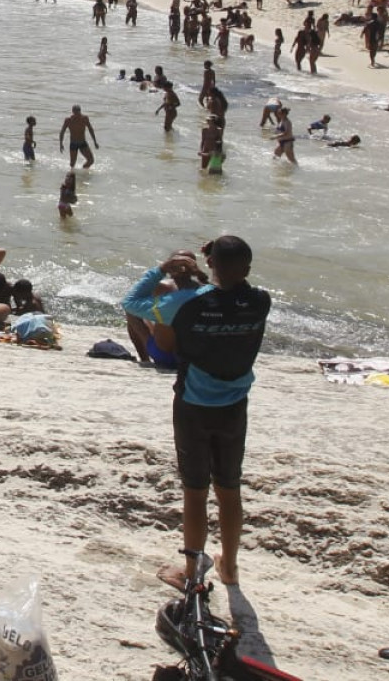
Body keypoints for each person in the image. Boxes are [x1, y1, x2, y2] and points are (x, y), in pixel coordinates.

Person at [136, 237, 271, 588]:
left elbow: (133, 302)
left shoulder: (188, 303)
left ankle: (193, 571)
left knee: (195, 492)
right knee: (229, 488)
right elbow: (230, 295)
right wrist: (209, 274)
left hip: (194, 405)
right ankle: (230, 567)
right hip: (234, 407)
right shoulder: (260, 302)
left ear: (211, 265)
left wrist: (164, 270)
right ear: (248, 270)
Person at [60, 104, 99, 168]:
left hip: (82, 142)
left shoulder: (85, 118)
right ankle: (73, 175)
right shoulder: (68, 120)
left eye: (78, 112)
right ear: (72, 112)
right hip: (73, 143)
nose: (77, 115)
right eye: (75, 112)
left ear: (80, 111)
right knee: (72, 164)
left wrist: (95, 142)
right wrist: (61, 143)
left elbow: (90, 129)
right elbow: (62, 131)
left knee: (91, 160)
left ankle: (84, 170)